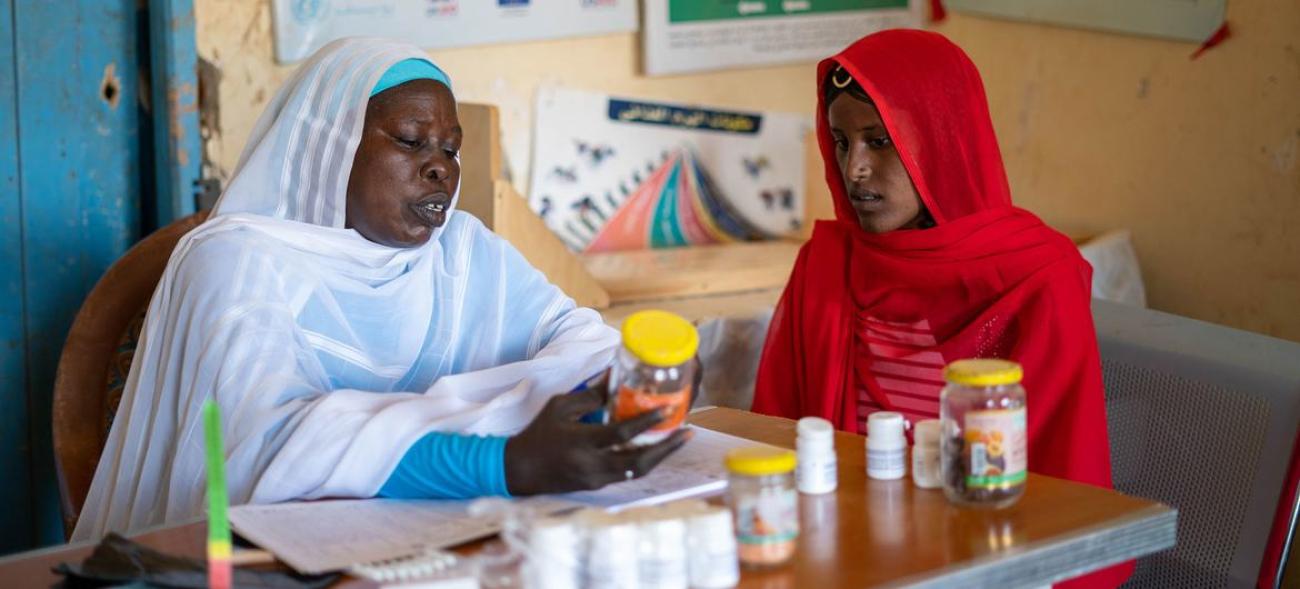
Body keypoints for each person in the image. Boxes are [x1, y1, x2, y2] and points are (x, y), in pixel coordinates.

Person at [72, 38, 688, 542]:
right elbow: (259, 450)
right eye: (410, 140)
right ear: (328, 147)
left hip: (426, 543)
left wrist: (648, 377)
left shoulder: (462, 253)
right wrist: (505, 460)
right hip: (255, 563)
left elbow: (583, 345)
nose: (440, 167)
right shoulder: (234, 261)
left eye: (450, 148)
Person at [751, 30, 1131, 587]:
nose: (854, 168)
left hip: (987, 558)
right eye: (840, 140)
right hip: (836, 552)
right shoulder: (830, 264)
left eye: (879, 142)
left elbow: (1062, 486)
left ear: (942, 143)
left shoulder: (1033, 277)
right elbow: (775, 440)